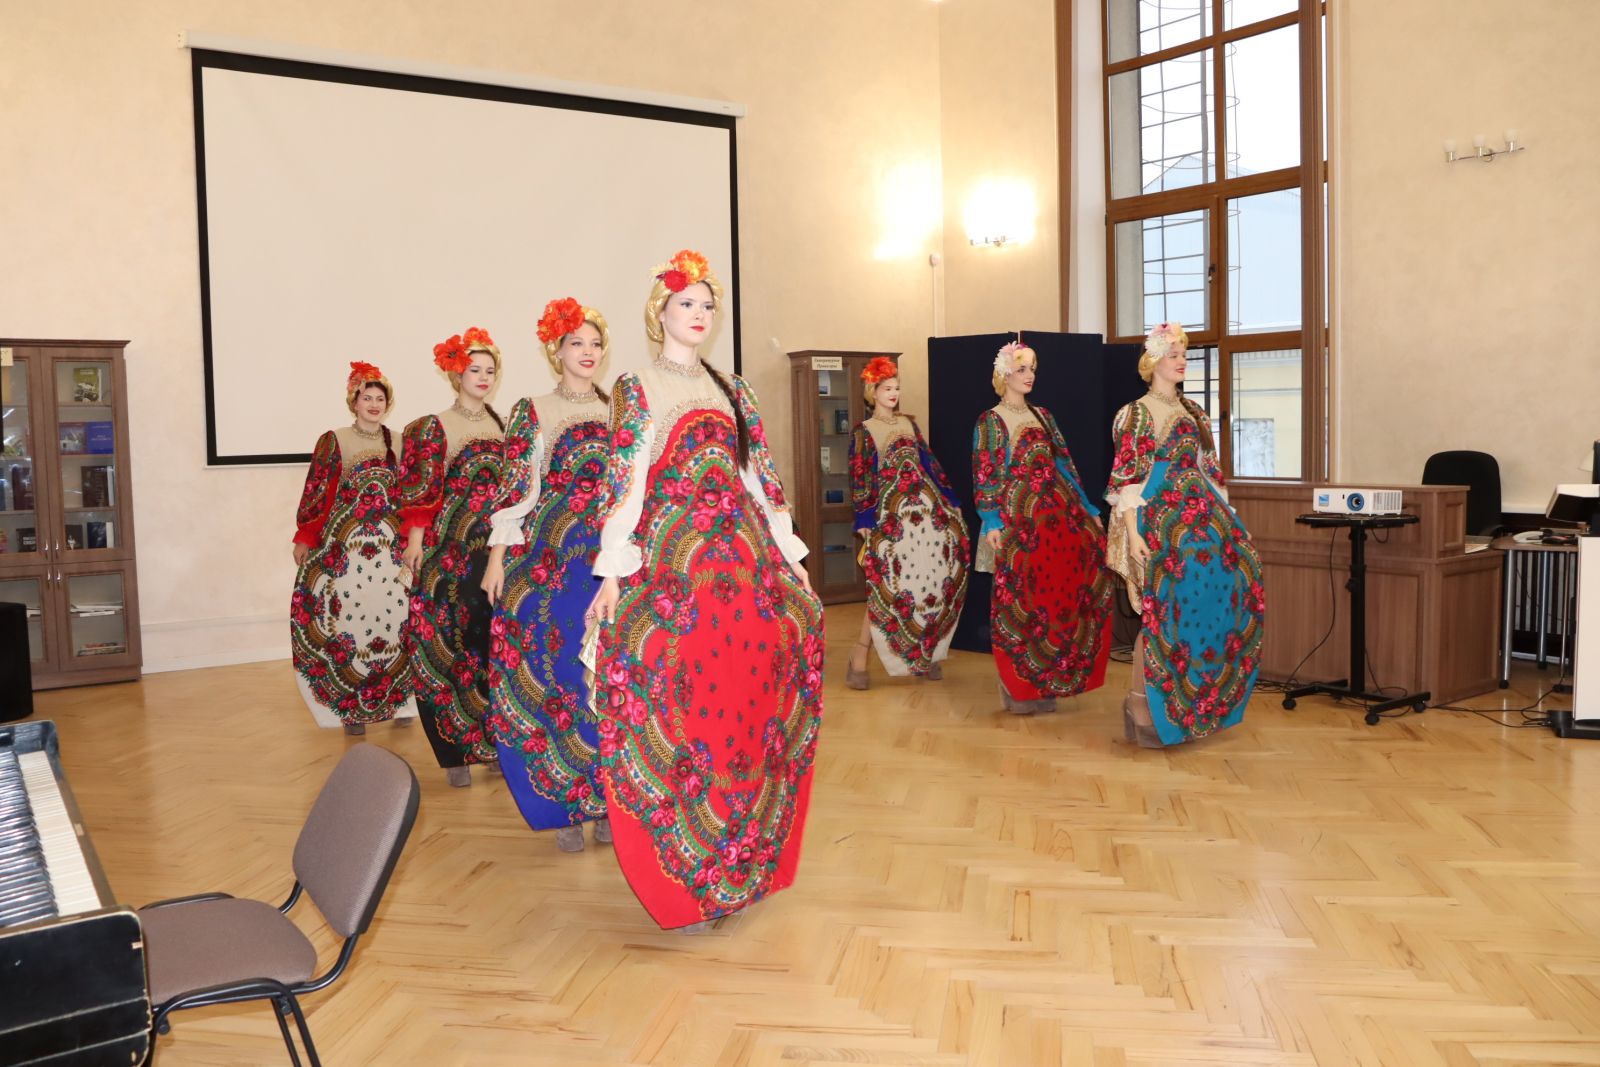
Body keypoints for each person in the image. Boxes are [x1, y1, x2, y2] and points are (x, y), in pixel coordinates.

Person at [586, 250, 823, 931]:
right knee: (681, 712)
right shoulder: (636, 387)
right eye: (686, 304)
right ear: (659, 313)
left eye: (707, 306)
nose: (699, 315)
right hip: (677, 576)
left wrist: (791, 556)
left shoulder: (735, 389)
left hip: (744, 574)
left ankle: (744, 858)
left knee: (750, 709)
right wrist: (611, 569)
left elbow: (760, 480)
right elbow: (626, 480)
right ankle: (690, 875)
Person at [482, 298, 613, 851]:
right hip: (549, 570)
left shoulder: (621, 411)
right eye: (576, 343)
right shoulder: (532, 410)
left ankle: (607, 800)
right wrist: (496, 558)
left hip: (607, 567)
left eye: (595, 343)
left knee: (606, 680)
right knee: (556, 676)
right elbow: (515, 490)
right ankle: (564, 803)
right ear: (555, 351)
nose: (588, 352)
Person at [1105, 322, 1265, 747]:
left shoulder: (1195, 411)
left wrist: (1232, 522)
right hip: (1158, 521)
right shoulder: (1135, 413)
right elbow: (1127, 480)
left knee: (1208, 605)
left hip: (1202, 523)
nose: (1182, 361)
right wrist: (1133, 535)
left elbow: (1210, 472)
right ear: (1154, 360)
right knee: (1161, 613)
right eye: (1174, 354)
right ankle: (1141, 704)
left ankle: (1189, 703)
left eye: (1184, 354)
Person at [971, 340, 1115, 715]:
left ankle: (1047, 680)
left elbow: (1065, 465)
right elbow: (986, 474)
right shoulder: (990, 420)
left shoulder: (1044, 416)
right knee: (1020, 600)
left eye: (1032, 368)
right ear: (1004, 374)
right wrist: (991, 520)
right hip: (1018, 525)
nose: (1030, 375)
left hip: (1057, 524)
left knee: (1055, 600)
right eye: (1022, 368)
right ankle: (1015, 683)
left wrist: (1088, 509)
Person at [400, 327, 506, 786]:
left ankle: (492, 742)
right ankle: (454, 753)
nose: (483, 377)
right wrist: (414, 545)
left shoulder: (504, 426)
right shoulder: (434, 427)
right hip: (447, 560)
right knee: (443, 646)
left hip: (495, 557)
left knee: (492, 650)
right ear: (456, 374)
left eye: (490, 371)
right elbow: (421, 495)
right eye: (474, 370)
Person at [289, 361, 416, 733]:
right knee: (351, 625)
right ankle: (352, 710)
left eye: (380, 399)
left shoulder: (399, 442)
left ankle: (400, 702)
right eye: (367, 398)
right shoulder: (335, 440)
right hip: (348, 556)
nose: (374, 404)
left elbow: (412, 496)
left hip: (391, 555)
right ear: (354, 402)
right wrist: (305, 537)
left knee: (396, 622)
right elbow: (318, 492)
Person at [845, 356, 969, 688]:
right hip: (889, 524)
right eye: (887, 388)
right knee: (885, 588)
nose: (893, 393)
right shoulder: (864, 431)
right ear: (873, 391)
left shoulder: (909, 425)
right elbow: (860, 477)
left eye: (896, 388)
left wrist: (952, 501)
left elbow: (930, 466)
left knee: (928, 585)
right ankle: (859, 656)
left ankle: (928, 654)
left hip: (924, 523)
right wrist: (864, 518)